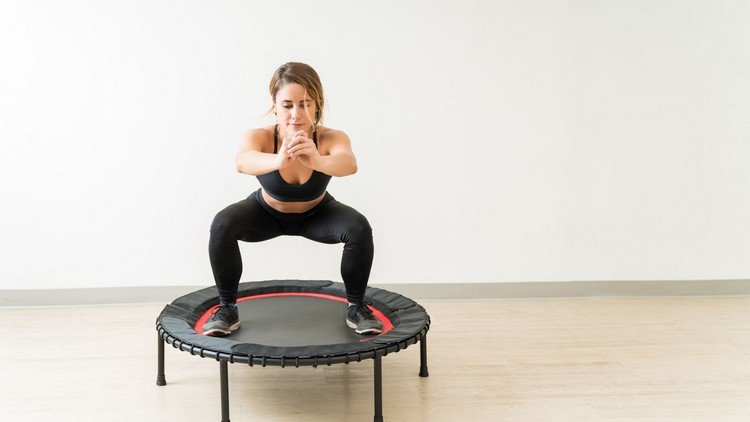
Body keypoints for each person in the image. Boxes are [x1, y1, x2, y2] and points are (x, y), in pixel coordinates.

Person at [203, 62, 383, 337]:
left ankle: (356, 307)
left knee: (358, 227)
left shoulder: (329, 137)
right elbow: (243, 161)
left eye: (305, 104)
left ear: (316, 105)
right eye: (287, 105)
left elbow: (348, 164)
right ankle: (227, 308)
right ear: (275, 105)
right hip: (266, 214)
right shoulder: (260, 136)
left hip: (318, 214)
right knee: (222, 224)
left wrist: (318, 159)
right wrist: (278, 159)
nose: (296, 114)